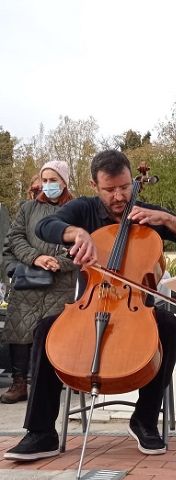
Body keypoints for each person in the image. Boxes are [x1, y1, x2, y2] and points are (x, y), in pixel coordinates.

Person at [4, 149, 176, 461]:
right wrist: (75, 232)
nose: (119, 196)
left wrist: (169, 220)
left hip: (136, 312)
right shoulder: (84, 209)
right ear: (94, 185)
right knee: (46, 328)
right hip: (90, 306)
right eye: (110, 189)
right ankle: (41, 432)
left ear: (132, 181)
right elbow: (44, 227)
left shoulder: (147, 214)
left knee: (170, 326)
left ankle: (144, 420)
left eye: (125, 187)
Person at [1, 161, 77, 404]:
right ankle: (19, 383)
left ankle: (49, 383)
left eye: (53, 180)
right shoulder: (28, 208)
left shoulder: (76, 209)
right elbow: (15, 238)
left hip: (60, 283)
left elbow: (82, 245)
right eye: (44, 180)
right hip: (28, 279)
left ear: (64, 182)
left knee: (53, 333)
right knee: (19, 330)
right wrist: (36, 258)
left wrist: (59, 262)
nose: (47, 185)